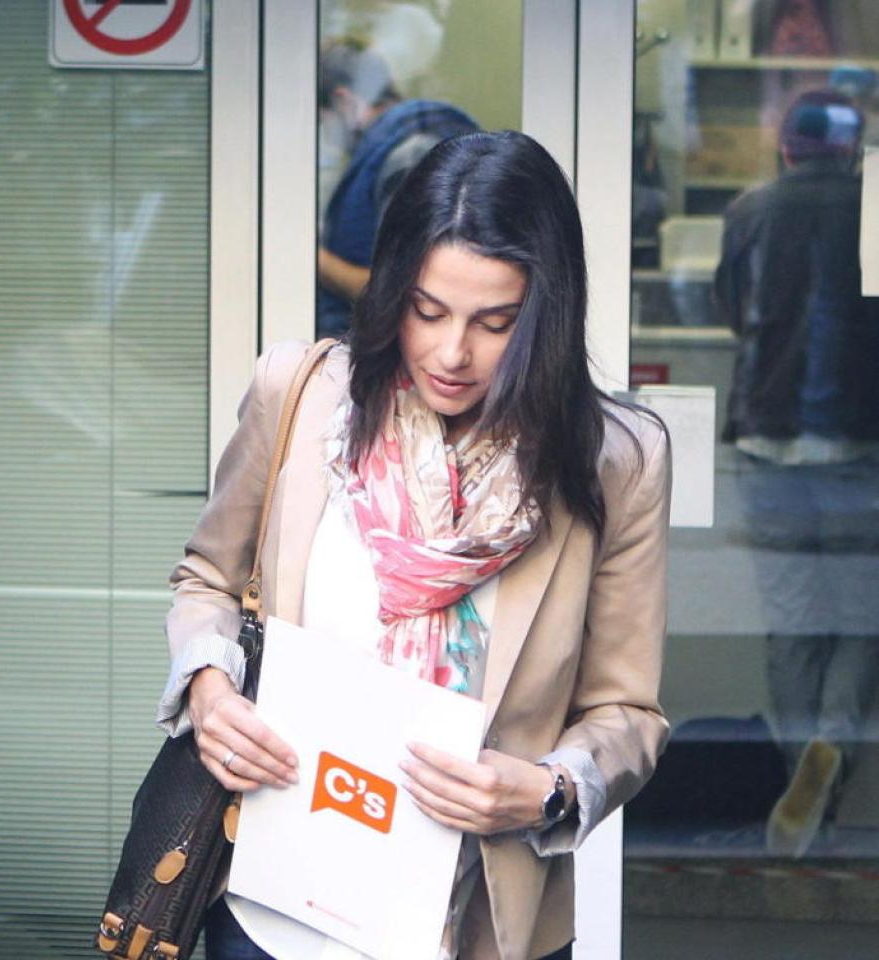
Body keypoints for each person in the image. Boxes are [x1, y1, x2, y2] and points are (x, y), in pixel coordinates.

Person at [158, 132, 671, 959]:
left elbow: (628, 712)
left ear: (546, 316)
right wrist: (211, 694)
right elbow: (208, 579)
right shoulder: (301, 396)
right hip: (274, 904)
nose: (451, 352)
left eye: (495, 323)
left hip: (478, 924)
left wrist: (547, 790)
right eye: (426, 311)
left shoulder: (614, 461)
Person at [715, 88, 879, 857]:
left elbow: (732, 312)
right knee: (858, 617)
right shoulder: (873, 210)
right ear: (853, 152)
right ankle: (831, 747)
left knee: (790, 621)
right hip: (856, 441)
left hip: (766, 437)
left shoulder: (749, 211)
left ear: (785, 148)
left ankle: (796, 770)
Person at [316, 39, 478, 339]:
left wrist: (317, 260)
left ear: (344, 102)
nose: (326, 137)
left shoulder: (409, 155)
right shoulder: (392, 150)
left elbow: (408, 290)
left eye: (321, 121)